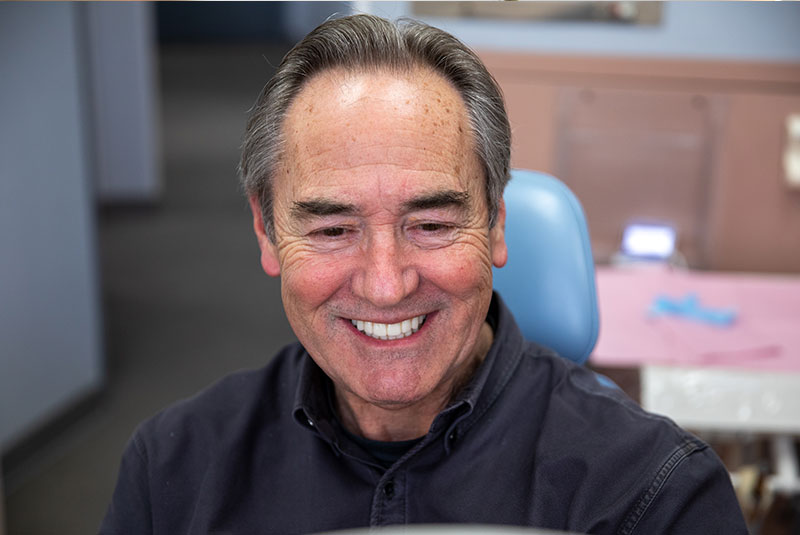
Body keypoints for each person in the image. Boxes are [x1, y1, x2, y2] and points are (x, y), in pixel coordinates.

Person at [101, 14, 747, 534]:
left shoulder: (655, 494)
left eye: (432, 225)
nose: (387, 285)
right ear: (267, 231)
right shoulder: (172, 472)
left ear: (496, 223)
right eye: (332, 230)